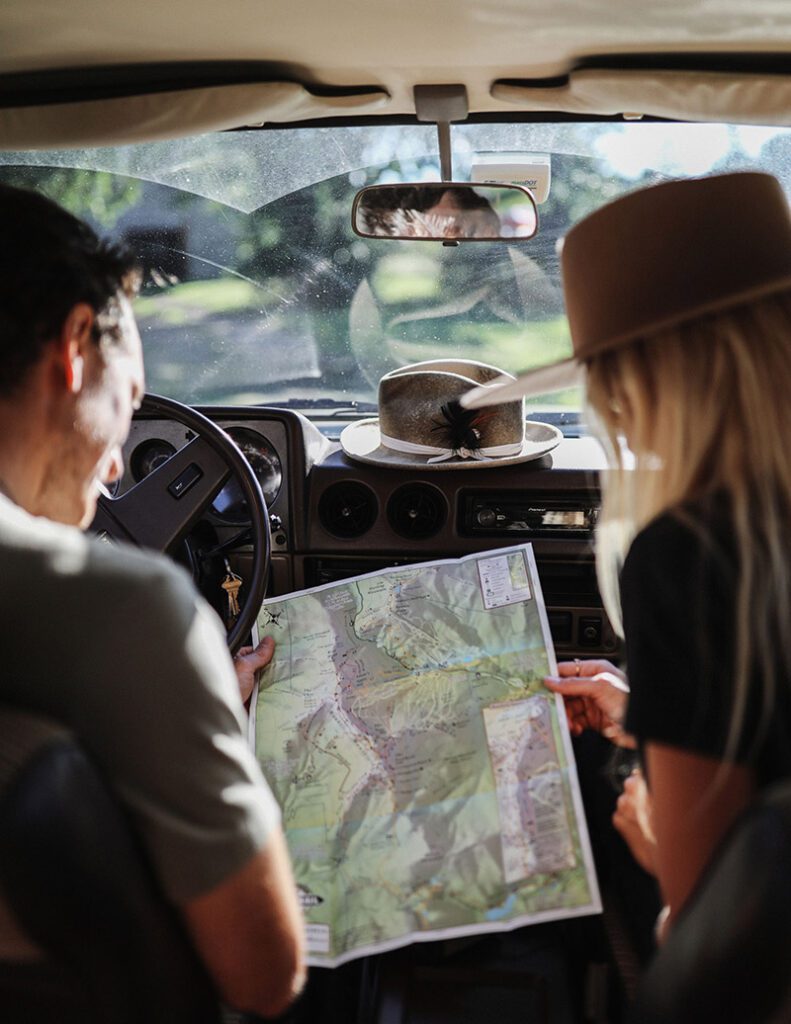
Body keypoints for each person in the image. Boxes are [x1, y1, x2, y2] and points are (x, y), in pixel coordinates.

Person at [0, 184, 305, 1016]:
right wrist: (199, 691)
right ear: (72, 348)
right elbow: (265, 976)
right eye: (127, 404)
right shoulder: (133, 614)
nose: (113, 472)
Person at [463, 170, 791, 937]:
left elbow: (705, 906)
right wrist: (653, 711)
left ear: (637, 384)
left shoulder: (689, 556)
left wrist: (650, 838)